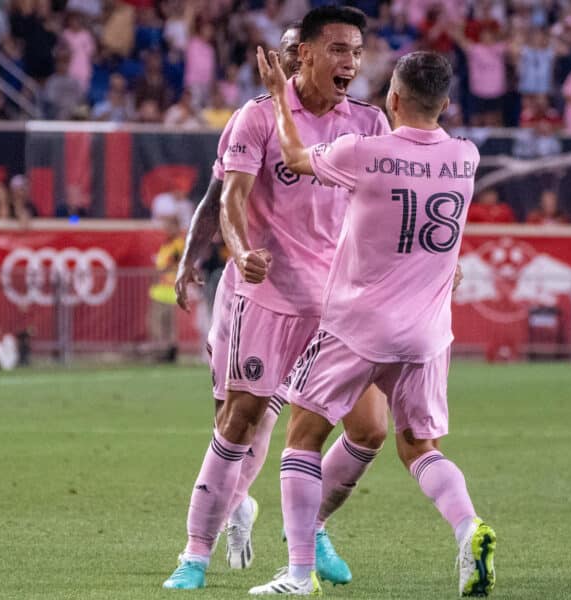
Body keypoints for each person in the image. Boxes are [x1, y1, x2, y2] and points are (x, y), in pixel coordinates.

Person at [248, 47, 495, 597]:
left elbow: (293, 157)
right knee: (420, 449)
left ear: (394, 99)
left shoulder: (364, 151)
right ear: (446, 104)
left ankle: (297, 573)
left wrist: (280, 101)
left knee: (302, 438)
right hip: (428, 332)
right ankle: (468, 528)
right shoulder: (466, 156)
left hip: (358, 323)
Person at [162, 10, 391, 590]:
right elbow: (228, 199)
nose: (350, 63)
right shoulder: (256, 118)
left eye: (357, 52)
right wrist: (236, 254)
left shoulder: (368, 122)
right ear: (305, 53)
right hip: (263, 297)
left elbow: (391, 204)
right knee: (239, 421)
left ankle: (308, 526)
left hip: (337, 304)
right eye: (338, 49)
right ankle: (194, 555)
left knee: (369, 429)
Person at [147, 215, 183, 363]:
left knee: (161, 324)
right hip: (161, 290)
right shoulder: (168, 244)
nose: (166, 229)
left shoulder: (178, 244)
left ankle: (165, 353)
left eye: (169, 226)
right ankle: (166, 353)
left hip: (168, 290)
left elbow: (173, 261)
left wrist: (162, 270)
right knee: (160, 324)